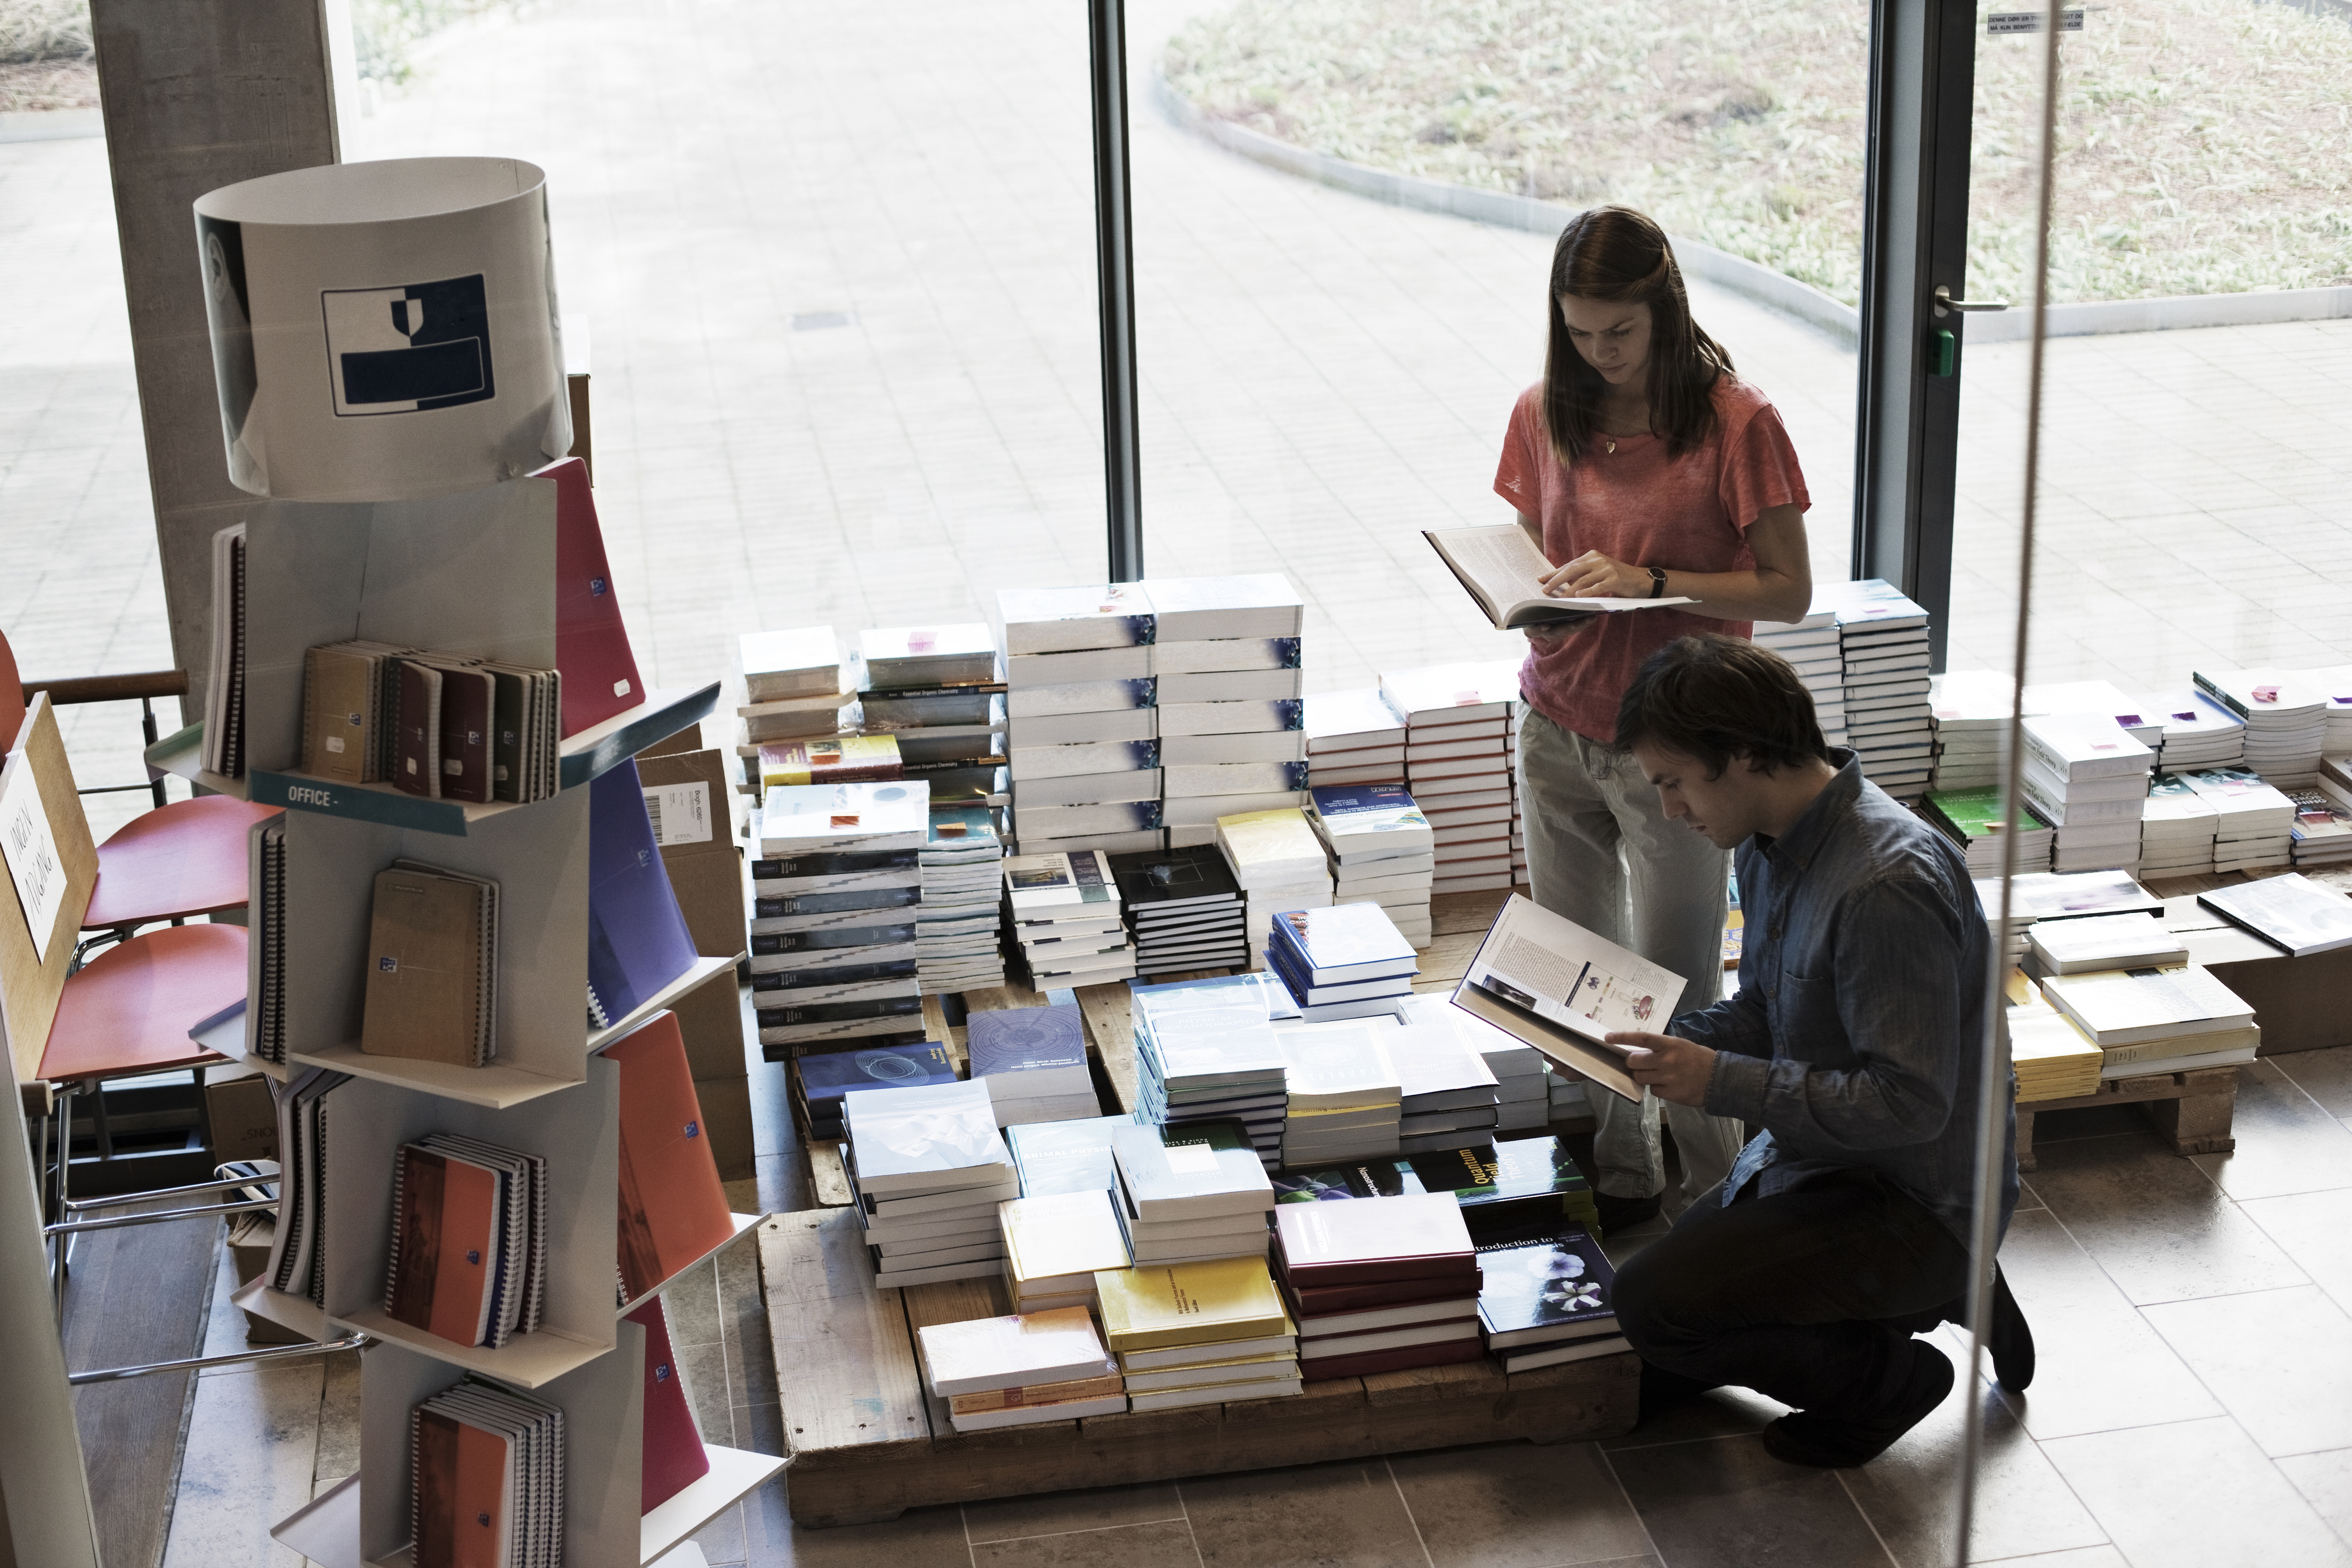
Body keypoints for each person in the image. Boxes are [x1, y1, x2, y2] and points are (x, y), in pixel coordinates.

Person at [1601, 634, 2018, 1467]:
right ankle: (1884, 1310)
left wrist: (1719, 1080)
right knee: (1658, 1307)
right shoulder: (1768, 843)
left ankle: (1891, 1381)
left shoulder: (1885, 885)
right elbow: (1769, 1003)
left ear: (1746, 756)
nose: (1671, 810)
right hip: (1819, 1161)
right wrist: (1671, 1047)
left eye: (1675, 783)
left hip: (1909, 1199)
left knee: (1654, 1308)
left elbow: (1907, 1104)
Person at [1494, 205, 1814, 1231]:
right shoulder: (1546, 408)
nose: (1602, 355)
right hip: (1556, 724)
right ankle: (1626, 1177)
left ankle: (1725, 1195)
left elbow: (1788, 589)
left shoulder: (1738, 423)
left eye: (1620, 335)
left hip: (1681, 751)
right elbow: (1526, 539)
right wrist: (1538, 601)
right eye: (1580, 334)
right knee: (1576, 973)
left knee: (1675, 980)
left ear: (1665, 310)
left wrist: (1653, 581)